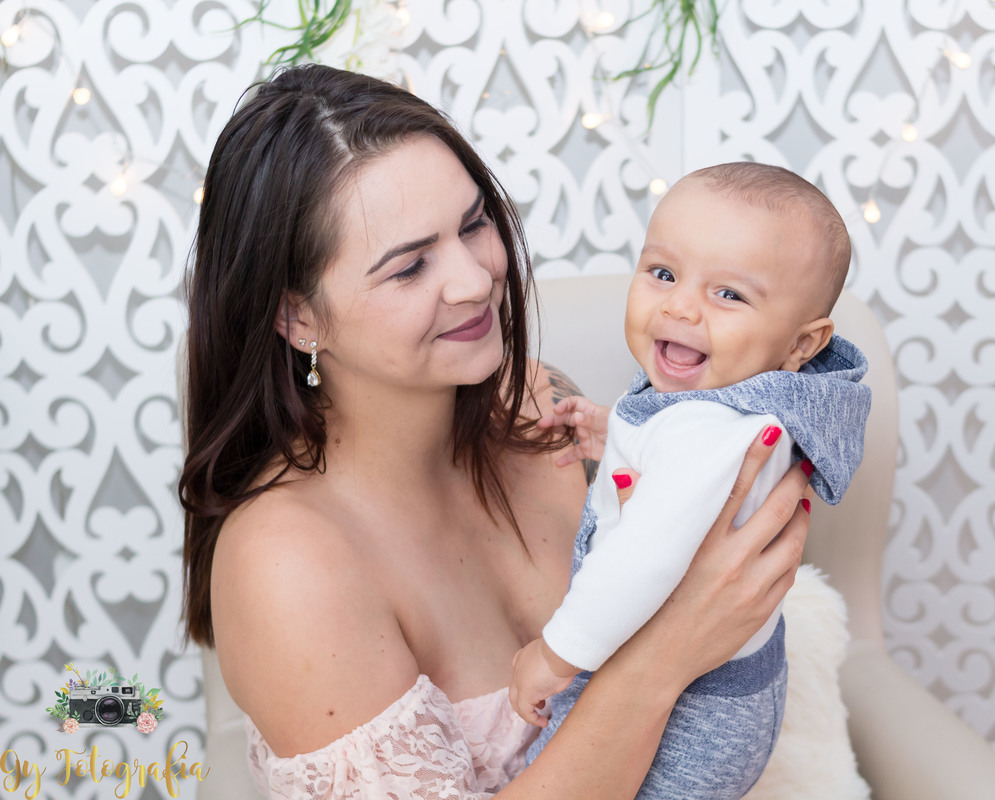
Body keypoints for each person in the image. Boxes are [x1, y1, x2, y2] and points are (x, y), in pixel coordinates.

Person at [178, 64, 814, 799]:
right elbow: (671, 643)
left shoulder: (538, 407)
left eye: (475, 223)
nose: (476, 280)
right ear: (299, 318)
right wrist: (666, 656)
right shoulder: (287, 563)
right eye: (410, 267)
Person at [509, 164, 871, 800]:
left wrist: (554, 655)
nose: (680, 305)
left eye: (729, 295)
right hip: (737, 686)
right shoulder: (731, 407)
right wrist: (613, 432)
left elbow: (641, 561)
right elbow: (679, 476)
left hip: (695, 711)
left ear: (802, 344)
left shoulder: (706, 427)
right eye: (664, 274)